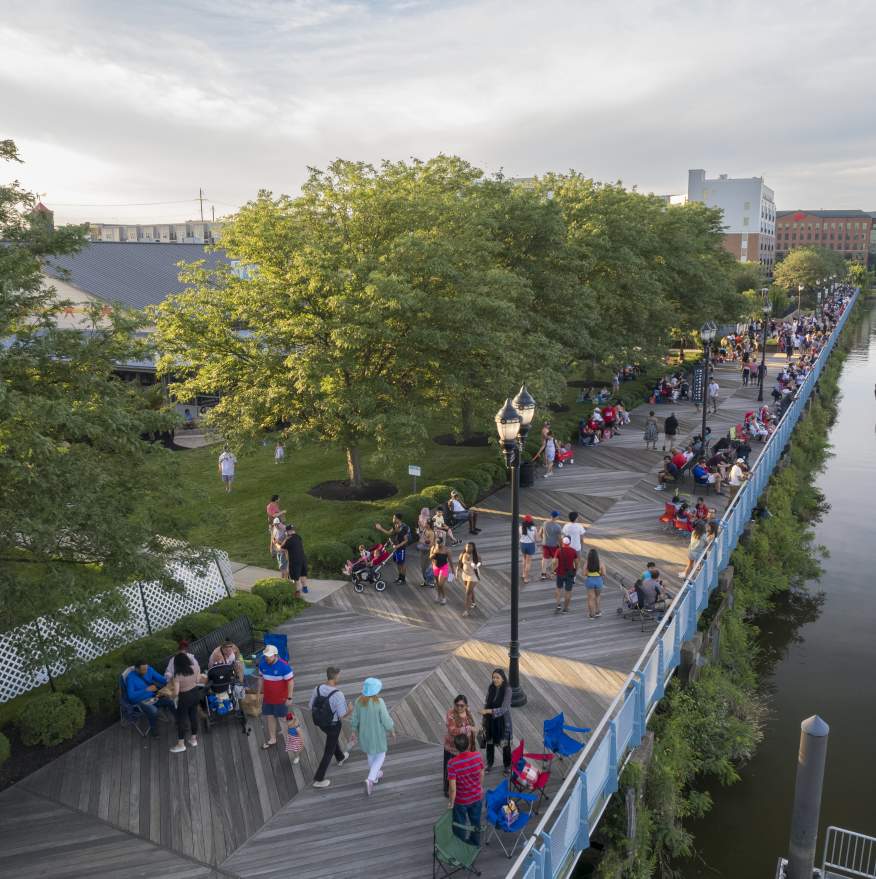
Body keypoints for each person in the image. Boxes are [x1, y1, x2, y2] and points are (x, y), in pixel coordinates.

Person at [350, 677, 395, 797]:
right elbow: (386, 719)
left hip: (364, 734)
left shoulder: (358, 701)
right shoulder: (379, 702)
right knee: (381, 754)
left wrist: (353, 731)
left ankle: (375, 776)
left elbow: (354, 718)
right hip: (377, 735)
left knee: (370, 754)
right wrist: (391, 729)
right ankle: (370, 779)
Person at [309, 666, 351, 789]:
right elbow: (342, 715)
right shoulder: (338, 694)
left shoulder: (317, 688)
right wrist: (350, 710)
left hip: (320, 723)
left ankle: (340, 757)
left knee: (332, 740)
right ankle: (319, 779)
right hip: (333, 725)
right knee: (328, 751)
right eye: (339, 675)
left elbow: (310, 706)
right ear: (336, 677)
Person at [447, 732, 485, 846]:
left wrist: (451, 803)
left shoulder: (452, 763)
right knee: (475, 821)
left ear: (456, 747)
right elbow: (482, 773)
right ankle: (475, 843)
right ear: (468, 744)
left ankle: (461, 845)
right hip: (477, 797)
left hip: (461, 800)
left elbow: (452, 788)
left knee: (460, 824)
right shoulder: (477, 756)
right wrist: (479, 787)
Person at [257, 644, 294, 750]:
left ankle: (289, 738)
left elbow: (290, 682)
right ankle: (273, 738)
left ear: (275, 655)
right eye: (266, 656)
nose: (267, 658)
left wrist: (289, 697)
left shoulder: (284, 666)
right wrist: (259, 692)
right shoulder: (262, 664)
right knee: (270, 717)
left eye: (269, 656)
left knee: (283, 719)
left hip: (281, 699)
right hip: (268, 698)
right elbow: (261, 678)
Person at [124, 661, 173, 736]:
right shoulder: (131, 678)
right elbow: (131, 696)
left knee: (170, 701)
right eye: (143, 670)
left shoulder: (149, 669)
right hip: (141, 700)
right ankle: (154, 730)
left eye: (146, 669)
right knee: (153, 711)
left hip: (153, 696)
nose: (145, 671)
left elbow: (161, 679)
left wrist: (170, 680)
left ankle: (179, 721)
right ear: (137, 669)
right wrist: (146, 689)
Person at [168, 650, 203, 753]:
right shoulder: (195, 667)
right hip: (195, 693)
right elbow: (198, 680)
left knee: (182, 720)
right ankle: (193, 740)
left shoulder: (177, 675)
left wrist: (171, 696)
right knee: (193, 716)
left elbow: (176, 692)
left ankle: (181, 744)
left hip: (185, 697)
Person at [443, 695, 477, 795]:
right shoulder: (451, 714)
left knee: (462, 770)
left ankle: (459, 788)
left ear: (466, 706)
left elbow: (472, 725)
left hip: (465, 748)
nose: (459, 707)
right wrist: (468, 728)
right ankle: (447, 789)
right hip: (452, 748)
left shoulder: (468, 712)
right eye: (457, 705)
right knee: (449, 770)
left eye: (462, 705)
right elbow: (452, 730)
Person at [480, 668, 512, 773]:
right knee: (489, 743)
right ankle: (489, 763)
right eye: (493, 677)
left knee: (505, 744)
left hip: (503, 722)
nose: (495, 680)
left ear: (503, 679)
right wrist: (484, 720)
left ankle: (507, 766)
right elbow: (487, 703)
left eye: (497, 677)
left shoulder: (508, 690)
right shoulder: (491, 688)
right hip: (491, 720)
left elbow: (504, 709)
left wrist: (488, 711)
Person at [375, 512, 413, 584]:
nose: (393, 519)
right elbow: (389, 533)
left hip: (401, 548)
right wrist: (380, 528)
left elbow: (406, 540)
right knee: (398, 563)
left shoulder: (404, 527)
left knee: (401, 564)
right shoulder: (395, 525)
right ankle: (399, 577)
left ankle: (403, 579)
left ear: (398, 519)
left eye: (394, 518)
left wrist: (397, 546)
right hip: (396, 548)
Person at [281, 523, 310, 595]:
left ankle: (297, 592)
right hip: (302, 559)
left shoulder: (289, 540)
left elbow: (282, 548)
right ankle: (305, 588)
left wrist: (286, 538)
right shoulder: (298, 537)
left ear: (288, 531)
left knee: (295, 577)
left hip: (294, 561)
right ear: (293, 530)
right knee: (303, 574)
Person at [553, 535, 578, 613]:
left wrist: (554, 570)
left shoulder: (558, 550)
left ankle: (558, 604)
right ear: (569, 543)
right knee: (568, 591)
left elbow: (554, 562)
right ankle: (566, 608)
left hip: (560, 573)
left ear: (563, 542)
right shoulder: (573, 551)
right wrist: (575, 570)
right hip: (570, 573)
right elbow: (576, 562)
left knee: (558, 588)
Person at [456, 542, 481, 617]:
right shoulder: (462, 554)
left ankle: (466, 611)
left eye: (470, 547)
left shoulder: (476, 555)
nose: (468, 548)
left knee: (467, 592)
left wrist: (476, 565)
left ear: (473, 548)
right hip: (465, 574)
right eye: (467, 546)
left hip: (473, 575)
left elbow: (480, 562)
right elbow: (459, 564)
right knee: (470, 590)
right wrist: (456, 573)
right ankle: (473, 603)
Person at [539, 510, 563, 580]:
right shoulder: (558, 527)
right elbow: (559, 538)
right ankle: (552, 573)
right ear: (557, 517)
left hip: (545, 544)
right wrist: (561, 546)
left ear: (551, 516)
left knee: (545, 559)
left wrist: (543, 539)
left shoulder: (545, 523)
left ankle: (543, 574)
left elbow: (540, 533)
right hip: (554, 545)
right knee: (556, 560)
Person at [430, 535, 453, 606]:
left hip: (444, 567)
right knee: (437, 583)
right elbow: (430, 557)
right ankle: (438, 595)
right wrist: (434, 553)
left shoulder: (447, 550)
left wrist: (453, 570)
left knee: (440, 584)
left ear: (442, 542)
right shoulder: (433, 548)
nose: (438, 544)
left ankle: (444, 597)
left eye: (439, 542)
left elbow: (450, 561)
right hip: (435, 567)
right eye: (437, 542)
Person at [584, 548, 606, 620]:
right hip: (598, 580)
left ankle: (591, 615)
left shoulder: (587, 563)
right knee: (598, 596)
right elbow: (604, 573)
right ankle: (597, 612)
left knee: (591, 599)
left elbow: (584, 573)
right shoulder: (601, 562)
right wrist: (599, 574)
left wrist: (589, 573)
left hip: (590, 580)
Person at [416, 508, 436, 588]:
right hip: (422, 550)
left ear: (429, 525)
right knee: (423, 567)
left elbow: (431, 544)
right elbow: (420, 536)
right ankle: (426, 581)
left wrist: (424, 541)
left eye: (426, 523)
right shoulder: (424, 530)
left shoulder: (431, 532)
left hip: (428, 551)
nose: (425, 524)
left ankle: (431, 582)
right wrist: (418, 530)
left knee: (428, 567)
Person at [520, 514, 537, 583]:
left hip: (522, 544)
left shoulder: (520, 527)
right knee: (528, 562)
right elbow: (536, 538)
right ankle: (526, 579)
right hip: (530, 545)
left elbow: (520, 536)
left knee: (524, 559)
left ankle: (523, 574)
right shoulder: (534, 528)